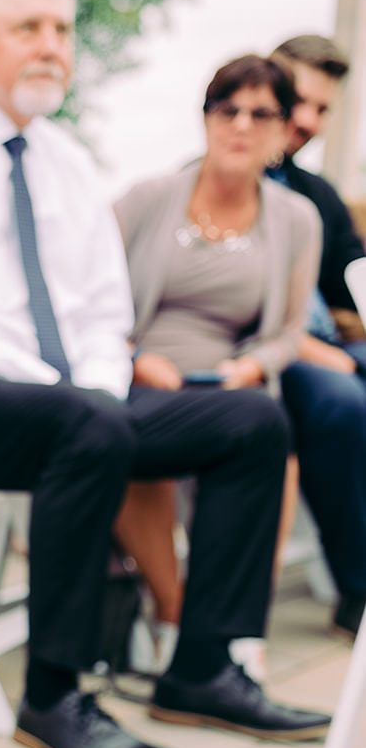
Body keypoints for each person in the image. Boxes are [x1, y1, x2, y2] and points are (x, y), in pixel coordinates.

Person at [0, 0, 329, 748]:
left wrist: (97, 388)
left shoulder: (68, 162)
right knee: (89, 422)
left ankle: (201, 669)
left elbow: (102, 313)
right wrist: (79, 398)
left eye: (63, 29)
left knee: (252, 420)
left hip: (76, 404)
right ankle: (54, 691)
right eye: (27, 27)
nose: (51, 46)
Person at [113, 54, 321, 670]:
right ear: (205, 119)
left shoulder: (297, 219)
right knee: (129, 443)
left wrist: (253, 369)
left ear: (284, 132)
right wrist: (135, 358)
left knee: (271, 436)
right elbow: (84, 302)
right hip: (139, 372)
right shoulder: (148, 198)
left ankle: (235, 629)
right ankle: (176, 615)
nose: (242, 125)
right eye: (227, 109)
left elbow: (286, 334)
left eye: (262, 114)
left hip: (229, 380)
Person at [267, 35, 366, 638]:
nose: (307, 120)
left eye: (322, 109)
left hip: (332, 344)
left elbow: (350, 292)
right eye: (299, 100)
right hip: (273, 353)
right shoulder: (214, 183)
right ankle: (359, 585)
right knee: (342, 403)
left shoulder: (320, 196)